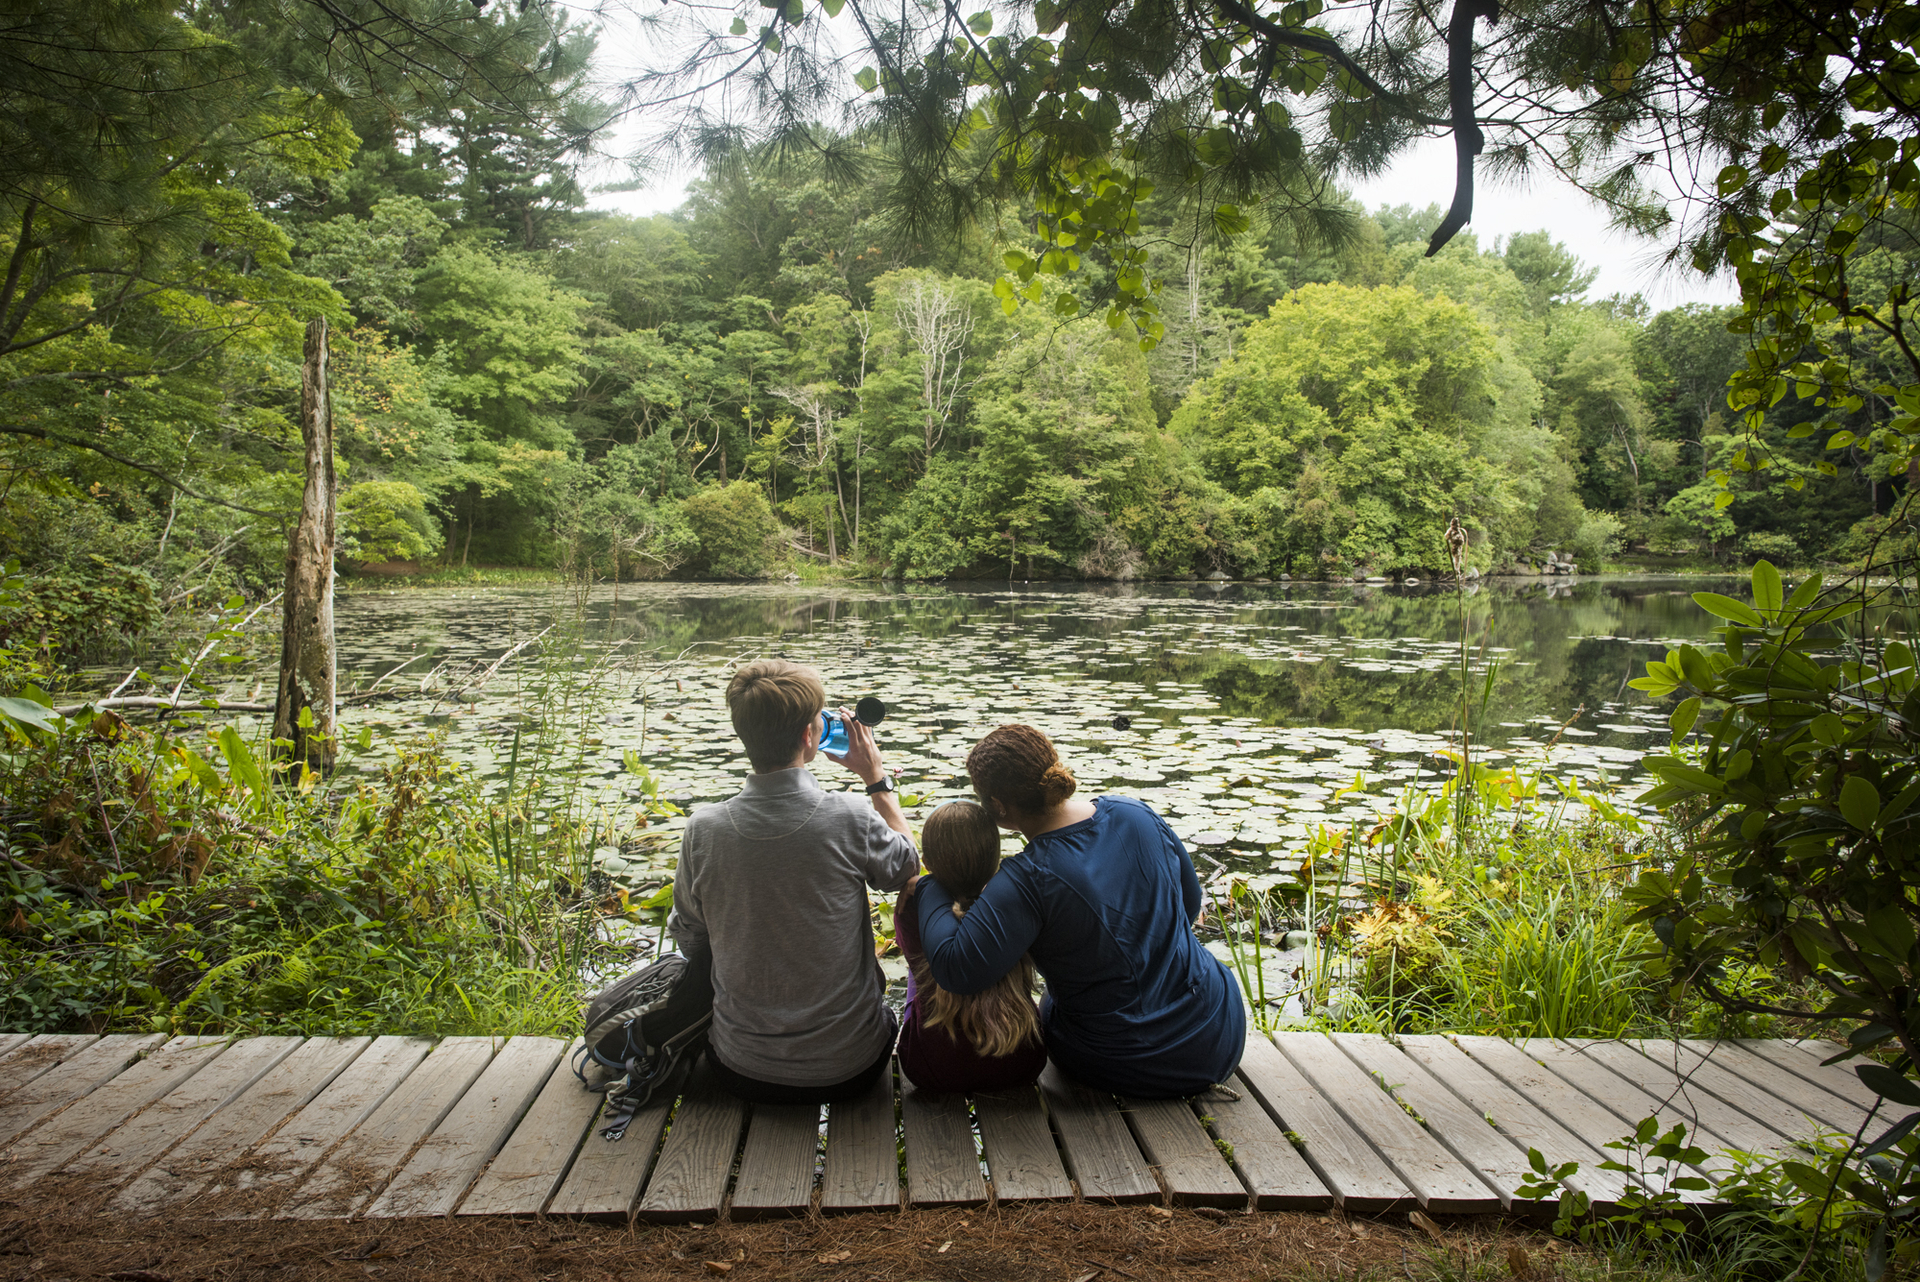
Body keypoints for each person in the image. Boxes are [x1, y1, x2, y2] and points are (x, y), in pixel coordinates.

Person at [914, 724, 1244, 1098]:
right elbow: (1188, 904)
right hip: (1219, 1031)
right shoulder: (1134, 812)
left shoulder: (1026, 878)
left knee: (1050, 1007)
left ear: (1000, 807)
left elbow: (955, 967)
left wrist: (931, 882)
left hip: (1131, 1063)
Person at [668, 659, 917, 1103]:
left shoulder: (702, 830)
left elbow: (689, 936)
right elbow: (909, 867)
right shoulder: (850, 816)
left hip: (739, 1066)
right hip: (852, 1066)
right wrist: (875, 780)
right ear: (809, 735)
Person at [894, 801, 1047, 1094]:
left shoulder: (910, 910)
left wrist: (925, 886)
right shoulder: (1018, 900)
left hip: (932, 1067)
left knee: (920, 970)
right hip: (1022, 1062)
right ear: (995, 859)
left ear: (927, 862)